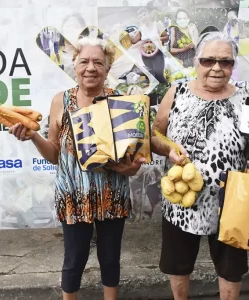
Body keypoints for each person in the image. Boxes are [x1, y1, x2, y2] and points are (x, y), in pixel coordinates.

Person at [10, 36, 145, 300]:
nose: (90, 68)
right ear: (75, 66)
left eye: (98, 62)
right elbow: (54, 155)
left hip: (111, 194)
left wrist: (125, 168)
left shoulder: (123, 103)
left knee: (110, 258)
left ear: (107, 69)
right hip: (73, 194)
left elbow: (133, 167)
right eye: (84, 61)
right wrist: (33, 136)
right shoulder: (60, 101)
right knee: (73, 259)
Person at [151, 32, 249, 300]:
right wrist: (169, 151)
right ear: (196, 63)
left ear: (233, 65)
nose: (216, 67)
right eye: (208, 60)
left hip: (231, 202)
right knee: (178, 266)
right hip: (181, 199)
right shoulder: (176, 92)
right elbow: (155, 135)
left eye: (225, 62)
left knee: (231, 270)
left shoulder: (248, 100)